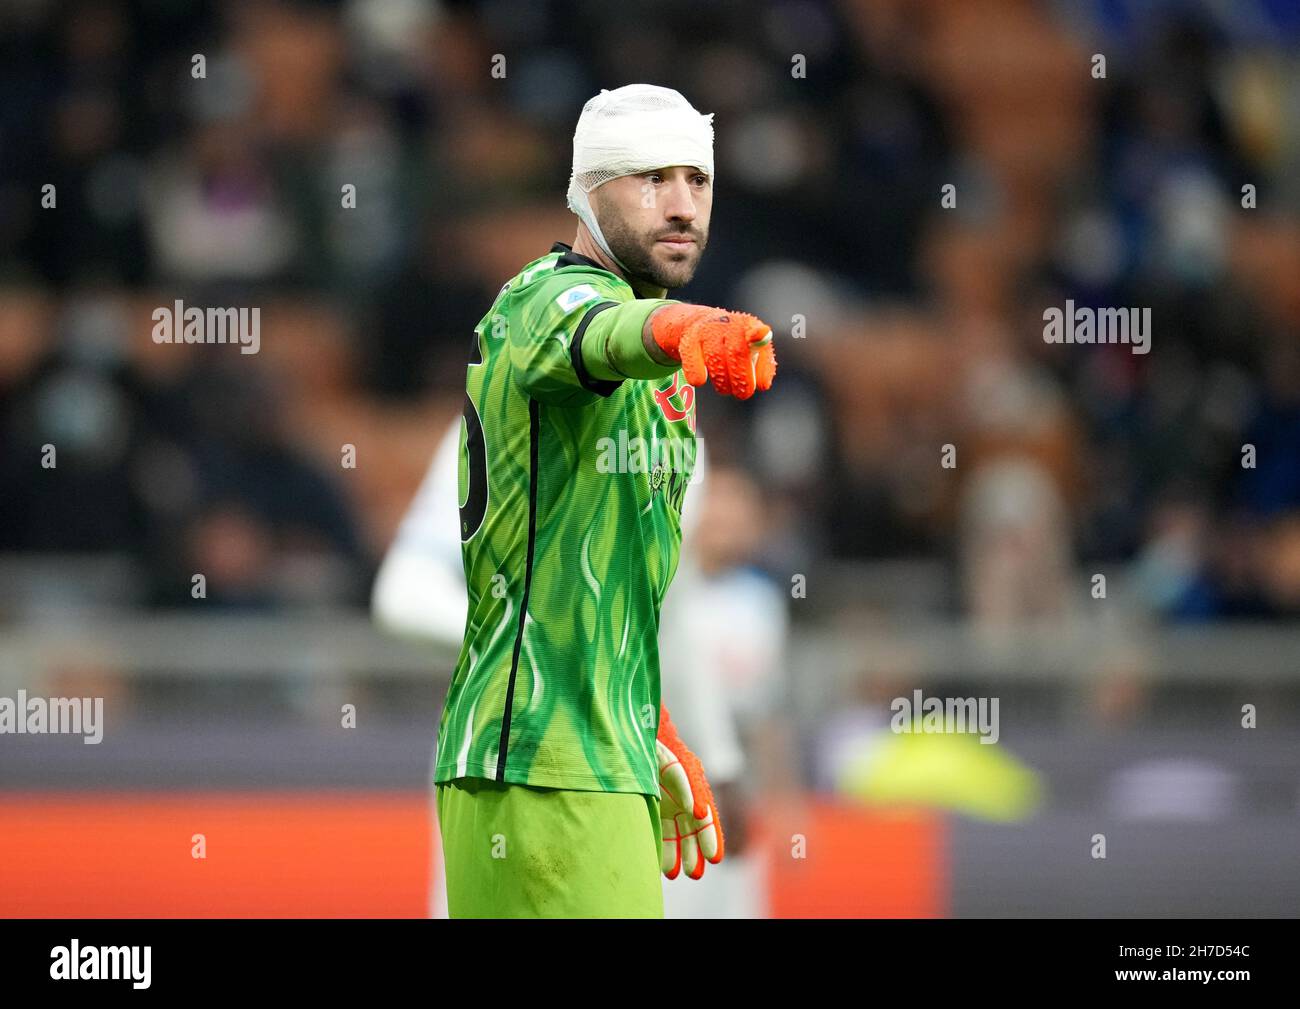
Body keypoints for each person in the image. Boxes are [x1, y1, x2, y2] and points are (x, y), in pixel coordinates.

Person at [429, 83, 777, 917]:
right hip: (535, 764)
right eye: (651, 178)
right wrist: (680, 329)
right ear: (589, 188)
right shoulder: (543, 300)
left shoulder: (665, 378)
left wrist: (635, 711)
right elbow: (598, 333)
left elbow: (604, 570)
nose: (682, 204)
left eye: (698, 180)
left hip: (596, 751)